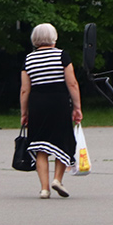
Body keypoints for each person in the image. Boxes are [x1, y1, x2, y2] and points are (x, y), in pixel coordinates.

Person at [19, 23, 82, 199]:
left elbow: (25, 89)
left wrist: (24, 113)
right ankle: (57, 180)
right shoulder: (62, 55)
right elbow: (72, 83)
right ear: (54, 37)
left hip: (37, 104)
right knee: (64, 141)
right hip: (59, 102)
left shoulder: (29, 59)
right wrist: (77, 107)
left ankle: (44, 189)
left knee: (40, 146)